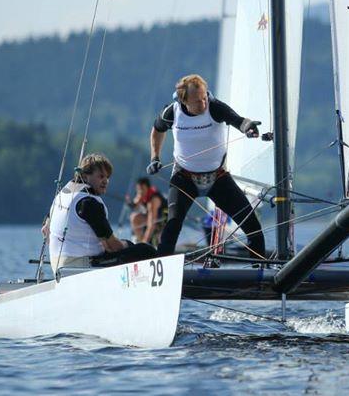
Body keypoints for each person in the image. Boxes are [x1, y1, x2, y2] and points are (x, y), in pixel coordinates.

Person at [147, 74, 266, 258]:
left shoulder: (215, 107)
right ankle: (162, 272)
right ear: (183, 100)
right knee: (172, 226)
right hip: (184, 178)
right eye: (197, 101)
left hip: (218, 178)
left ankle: (260, 270)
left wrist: (249, 127)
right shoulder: (172, 112)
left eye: (204, 98)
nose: (203, 103)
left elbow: (238, 120)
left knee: (253, 226)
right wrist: (155, 157)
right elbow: (157, 131)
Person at [43, 153, 157, 273]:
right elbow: (113, 246)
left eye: (107, 177)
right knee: (145, 250)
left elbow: (45, 229)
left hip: (58, 265)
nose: (106, 181)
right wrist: (129, 245)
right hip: (79, 267)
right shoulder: (88, 203)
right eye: (101, 176)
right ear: (85, 176)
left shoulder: (62, 194)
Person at [127, 177, 168, 246]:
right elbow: (135, 204)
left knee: (155, 234)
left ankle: (144, 244)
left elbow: (151, 222)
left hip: (163, 220)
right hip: (151, 218)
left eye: (142, 189)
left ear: (148, 188)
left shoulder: (154, 200)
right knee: (134, 217)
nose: (140, 192)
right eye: (138, 190)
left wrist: (144, 242)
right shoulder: (141, 194)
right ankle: (138, 241)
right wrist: (130, 203)